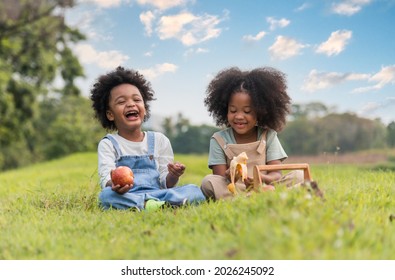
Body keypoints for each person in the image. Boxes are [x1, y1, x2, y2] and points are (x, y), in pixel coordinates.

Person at [90, 66, 206, 211]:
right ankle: (155, 205)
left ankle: (150, 205)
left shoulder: (159, 140)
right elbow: (106, 178)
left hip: (158, 193)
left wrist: (173, 175)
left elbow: (166, 184)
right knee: (106, 196)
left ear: (144, 107)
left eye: (137, 99)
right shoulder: (109, 144)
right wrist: (113, 185)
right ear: (110, 114)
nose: (131, 104)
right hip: (128, 195)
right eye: (121, 102)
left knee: (194, 190)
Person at [201, 66, 304, 200]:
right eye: (233, 111)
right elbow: (220, 178)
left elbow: (276, 174)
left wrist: (261, 178)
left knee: (299, 175)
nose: (239, 116)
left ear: (260, 111)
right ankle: (261, 197)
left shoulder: (269, 136)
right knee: (209, 182)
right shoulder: (218, 139)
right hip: (235, 188)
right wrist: (231, 174)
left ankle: (259, 195)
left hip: (265, 184)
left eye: (247, 111)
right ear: (224, 109)